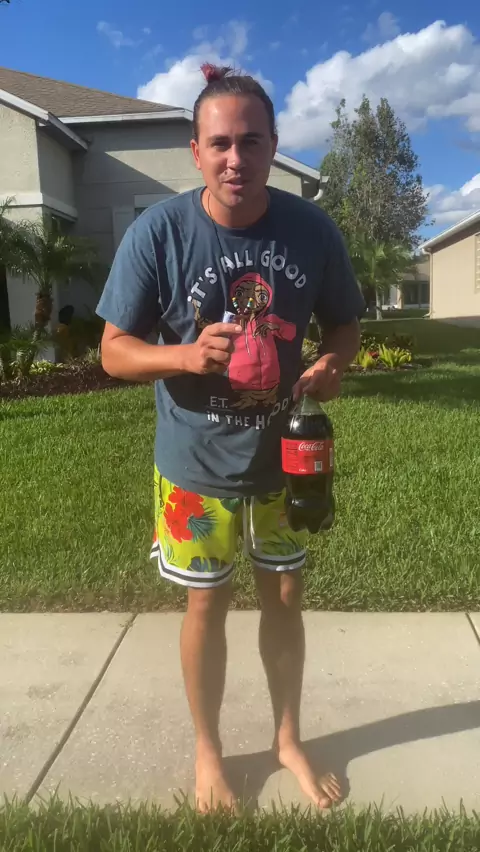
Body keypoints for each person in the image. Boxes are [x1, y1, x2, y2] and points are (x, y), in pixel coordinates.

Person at [97, 63, 364, 812]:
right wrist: (183, 357)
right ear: (196, 152)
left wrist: (333, 363)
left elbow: (344, 324)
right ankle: (209, 752)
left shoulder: (311, 231)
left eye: (251, 141)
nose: (235, 158)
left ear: (274, 145)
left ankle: (287, 740)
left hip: (285, 461)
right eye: (219, 143)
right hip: (194, 464)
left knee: (286, 596)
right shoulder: (159, 232)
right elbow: (113, 351)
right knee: (205, 607)